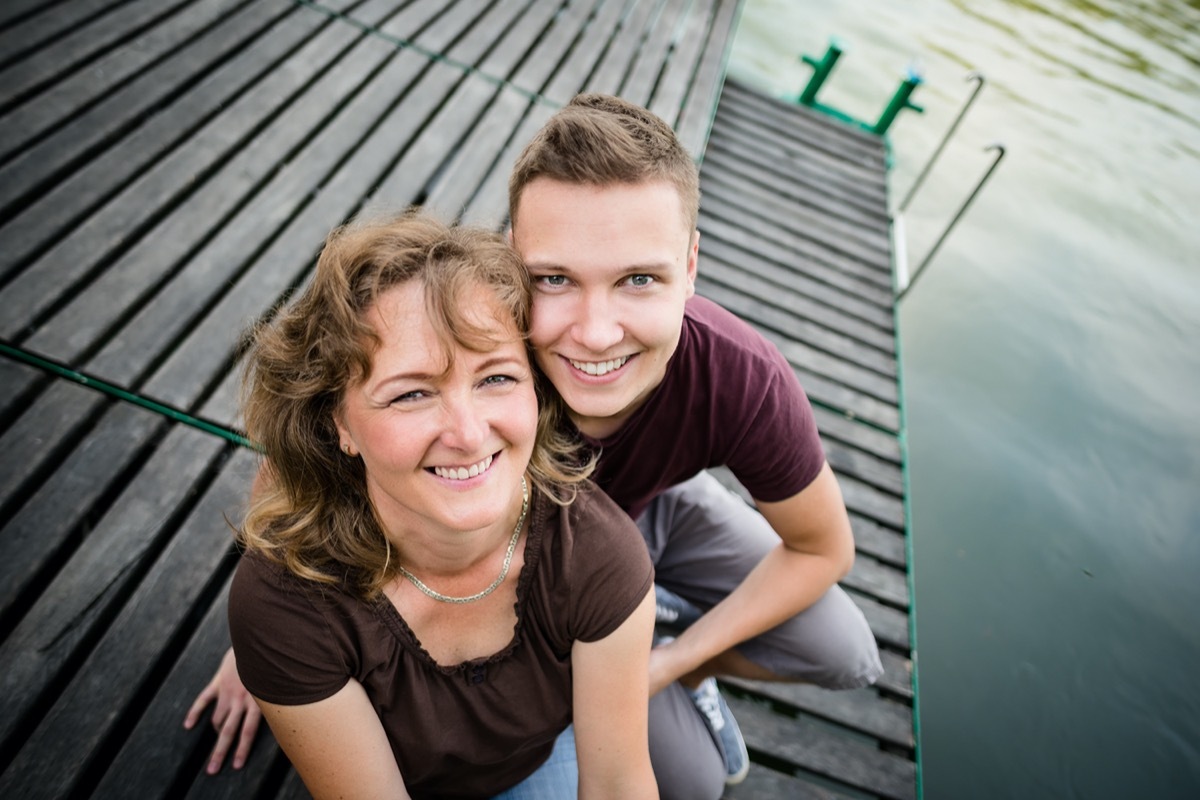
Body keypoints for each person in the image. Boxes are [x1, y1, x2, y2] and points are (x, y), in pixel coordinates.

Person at [189, 94, 883, 800]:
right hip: (526, 542)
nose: (595, 332)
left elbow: (825, 548)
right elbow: (307, 450)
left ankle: (657, 635)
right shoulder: (480, 335)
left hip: (643, 519)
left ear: (691, 265)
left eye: (639, 279)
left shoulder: (739, 375)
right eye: (554, 279)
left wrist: (668, 665)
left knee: (843, 648)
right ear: (514, 260)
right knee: (696, 782)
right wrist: (251, 649)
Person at [221, 211, 657, 799]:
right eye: (412, 393)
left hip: (537, 765)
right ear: (340, 423)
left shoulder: (601, 557)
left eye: (495, 378)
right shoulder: (287, 603)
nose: (469, 434)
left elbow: (616, 786)